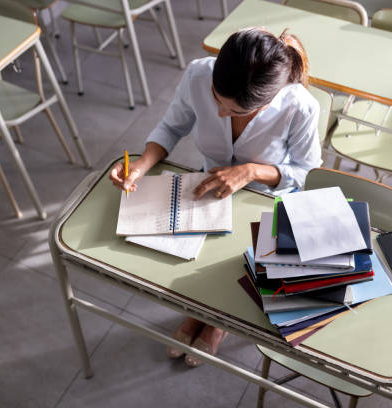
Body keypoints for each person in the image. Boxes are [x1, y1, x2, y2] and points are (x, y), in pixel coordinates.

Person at [110, 27, 322, 367]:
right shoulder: (198, 73)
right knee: (196, 261)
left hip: (267, 200)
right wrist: (141, 166)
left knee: (235, 266)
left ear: (266, 102)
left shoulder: (299, 106)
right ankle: (198, 313)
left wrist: (251, 171)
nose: (221, 113)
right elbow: (171, 126)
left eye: (234, 112)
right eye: (216, 99)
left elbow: (306, 171)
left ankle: (217, 324)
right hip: (209, 191)